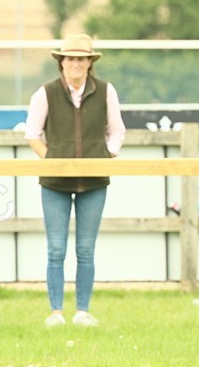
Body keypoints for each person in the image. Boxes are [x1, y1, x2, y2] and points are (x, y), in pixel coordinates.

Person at [24, 34, 125, 328]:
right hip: (55, 182)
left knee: (86, 248)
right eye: (71, 59)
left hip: (94, 182)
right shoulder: (45, 92)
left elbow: (117, 131)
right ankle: (56, 311)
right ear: (62, 62)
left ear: (90, 63)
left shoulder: (106, 91)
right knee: (56, 248)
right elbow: (32, 134)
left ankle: (83, 310)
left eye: (82, 59)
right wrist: (52, 159)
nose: (76, 64)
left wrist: (106, 155)